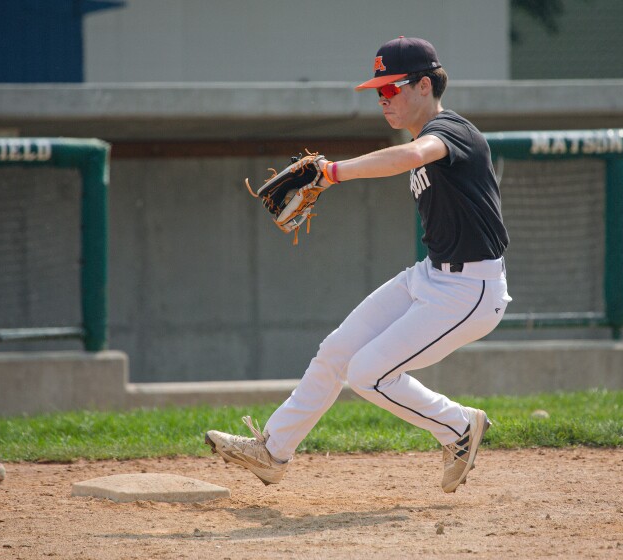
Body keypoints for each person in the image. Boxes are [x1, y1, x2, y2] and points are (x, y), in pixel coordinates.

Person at [205, 36, 511, 493]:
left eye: (391, 89)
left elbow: (409, 156)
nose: (382, 100)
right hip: (430, 276)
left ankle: (459, 428)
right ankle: (273, 451)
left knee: (369, 373)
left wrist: (330, 172)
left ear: (423, 85)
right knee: (336, 352)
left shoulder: (452, 132)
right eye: (378, 92)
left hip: (471, 291)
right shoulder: (427, 138)